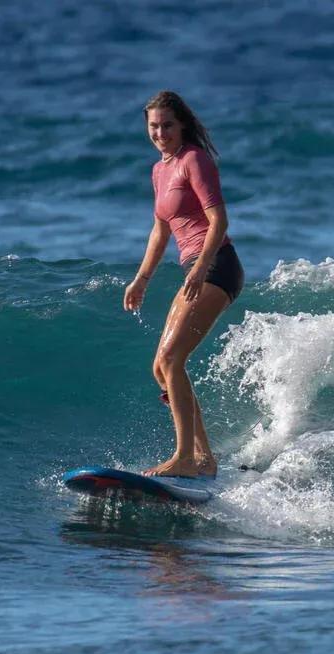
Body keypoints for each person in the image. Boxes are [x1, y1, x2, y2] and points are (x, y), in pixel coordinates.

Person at [123, 91, 244, 477]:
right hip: (196, 266)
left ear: (183, 125)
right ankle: (204, 459)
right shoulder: (160, 170)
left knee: (173, 360)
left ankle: (185, 458)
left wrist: (200, 265)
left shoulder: (195, 160)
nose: (160, 133)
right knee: (161, 367)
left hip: (216, 265)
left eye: (167, 125)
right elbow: (160, 231)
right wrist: (141, 279)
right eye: (153, 126)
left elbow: (218, 220)